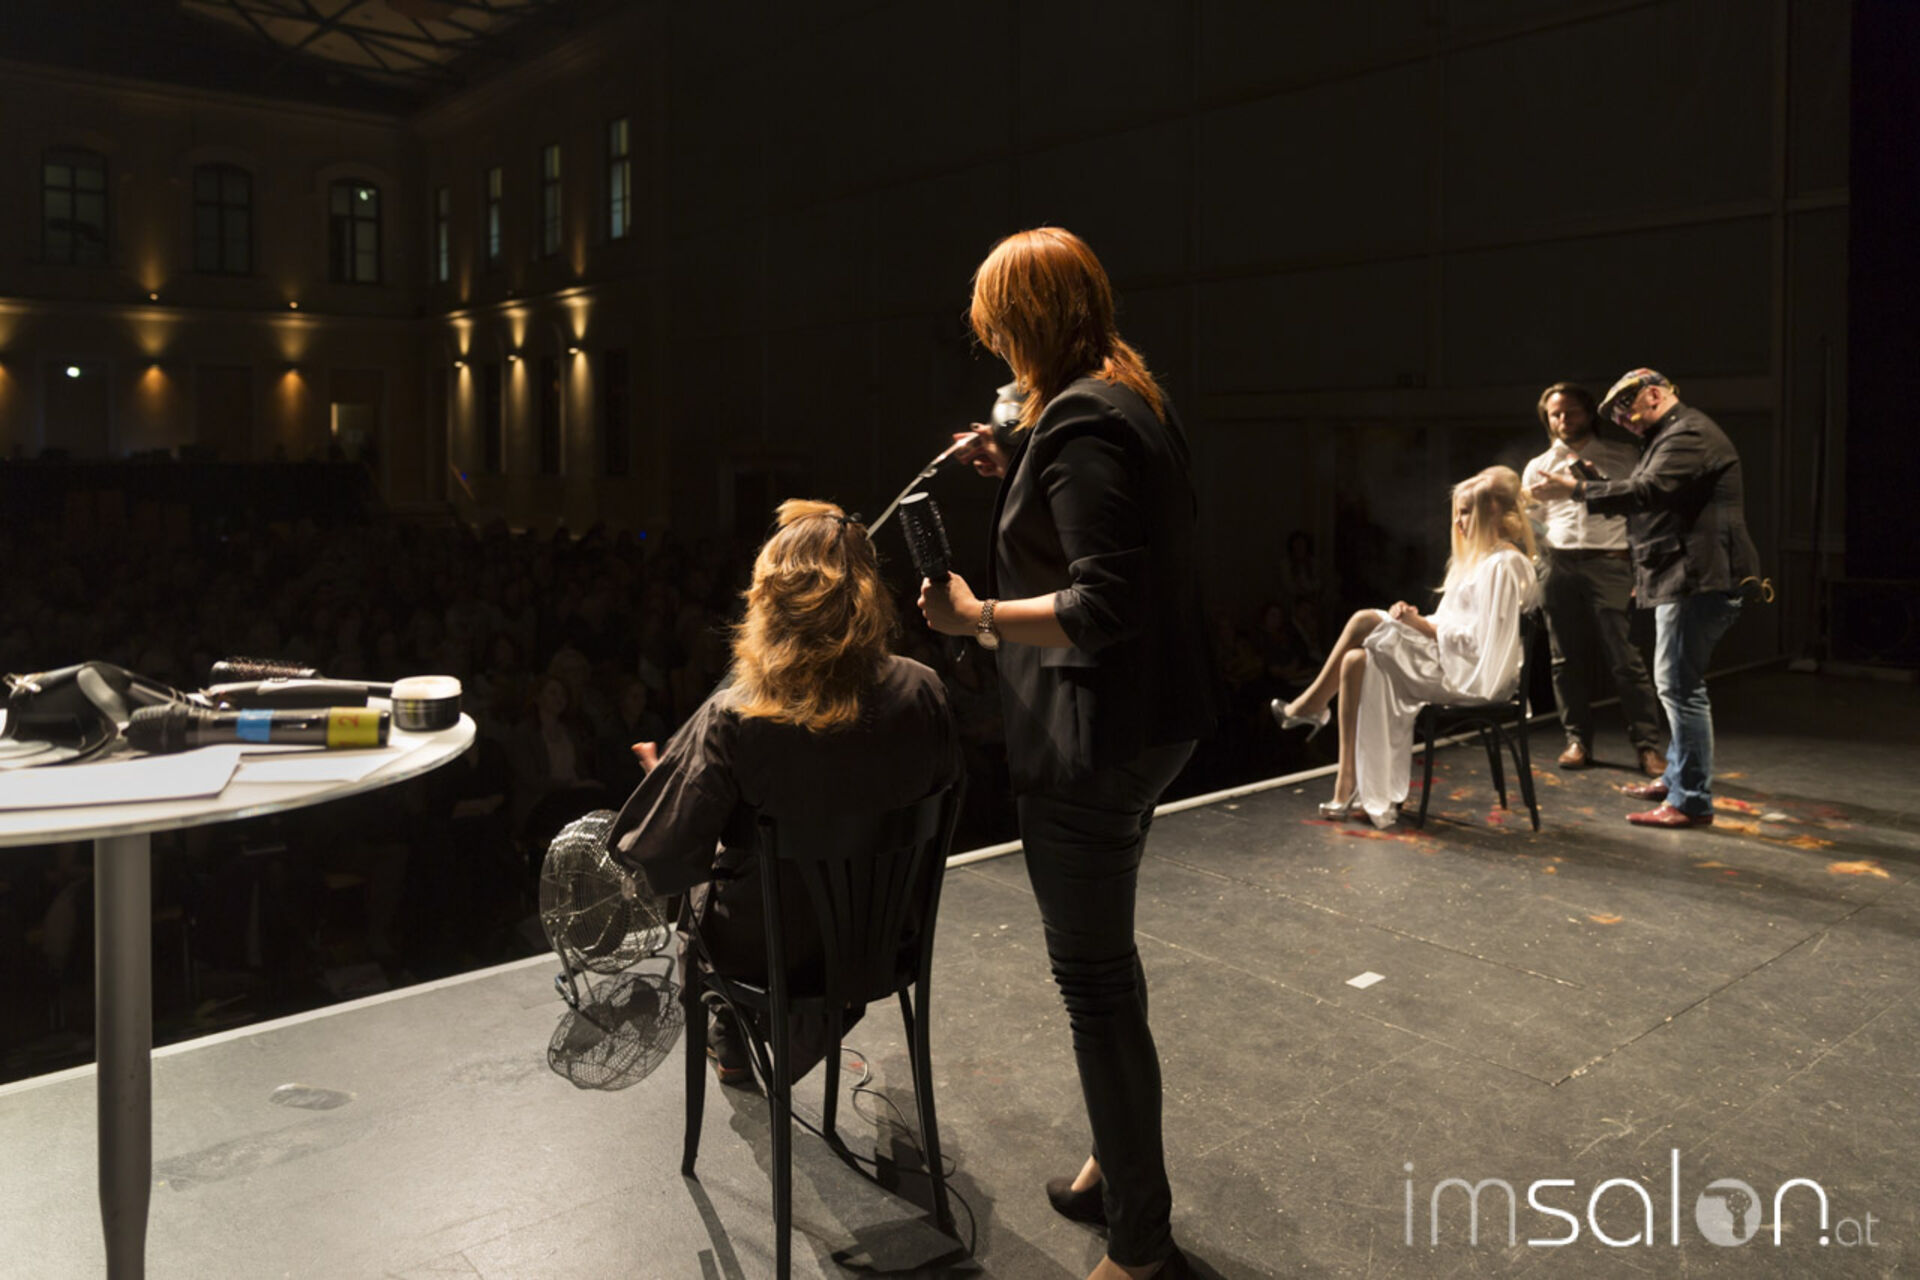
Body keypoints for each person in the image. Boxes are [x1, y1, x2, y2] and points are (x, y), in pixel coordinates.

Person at [920, 227, 1216, 1280]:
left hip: (1099, 736)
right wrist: (1019, 460)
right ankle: (1114, 1163)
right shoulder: (1120, 399)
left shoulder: (1082, 420)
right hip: (1149, 723)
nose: (992, 344)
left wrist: (975, 617)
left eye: (997, 326)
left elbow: (1102, 602)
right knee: (1107, 971)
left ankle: (1140, 1245)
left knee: (1093, 985)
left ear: (1025, 323)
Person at [608, 499, 960, 1084]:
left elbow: (659, 858)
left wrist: (660, 782)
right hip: (882, 941)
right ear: (868, 593)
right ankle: (803, 1029)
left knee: (704, 889)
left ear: (771, 599)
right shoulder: (924, 688)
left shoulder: (738, 713)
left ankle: (734, 1033)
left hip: (772, 956)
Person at [1530, 369, 1765, 828]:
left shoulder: (1687, 433)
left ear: (1654, 394)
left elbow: (1647, 492)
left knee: (1680, 688)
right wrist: (1595, 487)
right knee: (1675, 683)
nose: (1622, 422)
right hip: (1680, 576)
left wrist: (1575, 488)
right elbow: (1654, 507)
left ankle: (1690, 801)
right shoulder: (1667, 436)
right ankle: (1676, 778)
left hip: (1698, 577)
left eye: (1625, 411)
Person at [1272, 466, 1541, 829]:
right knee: (1354, 660)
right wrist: (1414, 619)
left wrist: (1418, 627)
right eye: (1457, 512)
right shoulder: (1479, 562)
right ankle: (1346, 783)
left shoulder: (1505, 566)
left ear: (1491, 511)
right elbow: (1451, 624)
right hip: (1453, 662)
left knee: (1364, 621)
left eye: (1465, 512)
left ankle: (1312, 705)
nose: (1458, 522)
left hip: (1474, 676)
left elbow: (1484, 645)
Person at [1520, 383, 1666, 776]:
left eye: (1571, 411)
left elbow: (1642, 515)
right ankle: (1577, 741)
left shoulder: (1623, 456)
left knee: (1626, 660)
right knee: (1564, 660)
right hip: (1558, 564)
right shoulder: (1538, 465)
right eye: (1555, 414)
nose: (1563, 419)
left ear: (1588, 413)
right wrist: (1541, 558)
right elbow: (1532, 524)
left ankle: (1648, 746)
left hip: (1610, 562)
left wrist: (1639, 568)